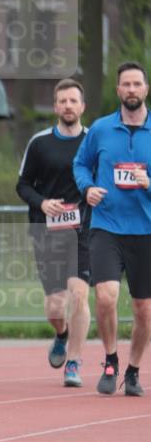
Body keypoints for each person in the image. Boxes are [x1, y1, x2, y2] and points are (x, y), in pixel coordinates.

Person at [74, 61, 151, 396]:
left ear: (146, 89)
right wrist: (87, 188)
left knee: (144, 311)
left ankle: (133, 370)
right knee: (105, 297)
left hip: (145, 230)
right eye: (126, 85)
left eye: (137, 84)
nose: (131, 90)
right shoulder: (101, 130)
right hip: (106, 225)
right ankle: (110, 360)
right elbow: (80, 164)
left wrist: (149, 182)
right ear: (118, 90)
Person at [16, 79, 90, 387]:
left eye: (74, 101)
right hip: (46, 231)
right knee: (55, 305)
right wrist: (43, 203)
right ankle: (61, 334)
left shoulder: (93, 140)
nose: (68, 106)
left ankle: (73, 362)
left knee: (80, 295)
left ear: (82, 106)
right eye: (63, 101)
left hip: (83, 230)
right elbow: (22, 186)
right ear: (56, 106)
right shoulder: (39, 143)